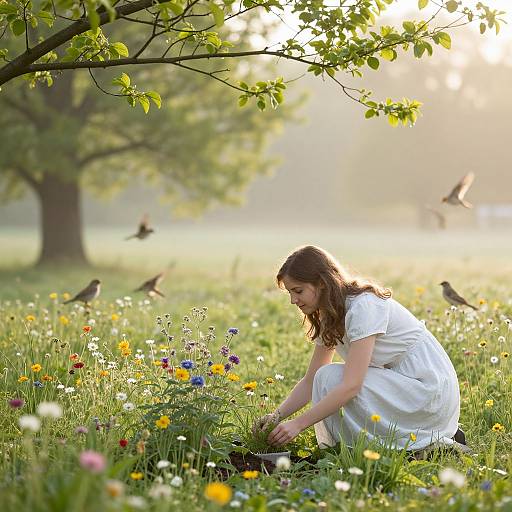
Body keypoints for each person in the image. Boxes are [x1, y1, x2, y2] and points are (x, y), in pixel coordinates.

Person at [253, 245, 466, 452]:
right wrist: (277, 416)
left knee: (332, 378)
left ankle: (408, 442)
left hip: (427, 389)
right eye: (290, 293)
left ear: (322, 283)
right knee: (324, 376)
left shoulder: (363, 306)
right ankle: (358, 449)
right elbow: (311, 381)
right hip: (402, 384)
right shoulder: (331, 313)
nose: (293, 300)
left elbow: (351, 386)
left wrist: (298, 424)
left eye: (298, 291)